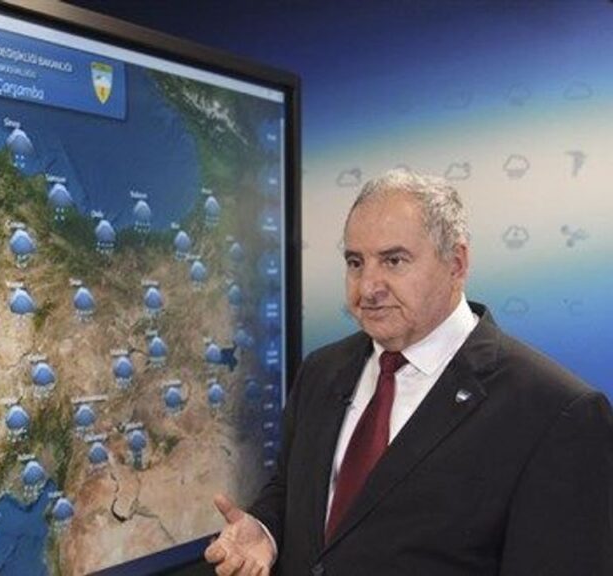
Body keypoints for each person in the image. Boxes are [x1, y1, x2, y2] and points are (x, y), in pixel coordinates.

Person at [205, 169, 613, 576]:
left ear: (456, 264)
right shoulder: (321, 370)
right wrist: (267, 530)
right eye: (355, 262)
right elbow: (293, 491)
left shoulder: (556, 413)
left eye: (393, 260)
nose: (367, 287)